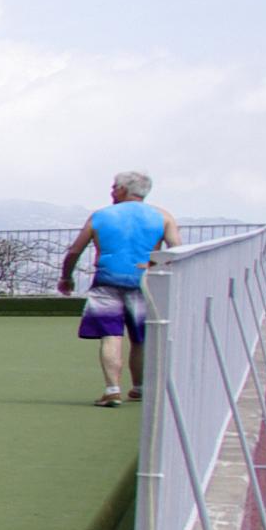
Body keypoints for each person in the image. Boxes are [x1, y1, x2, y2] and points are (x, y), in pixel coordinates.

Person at [58, 172, 172, 407]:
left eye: (114, 187)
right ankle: (139, 387)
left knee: (111, 334)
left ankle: (112, 389)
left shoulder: (101, 216)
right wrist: (154, 265)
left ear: (123, 189)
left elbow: (74, 251)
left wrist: (66, 277)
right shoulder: (162, 216)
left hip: (107, 281)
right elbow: (176, 250)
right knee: (140, 337)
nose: (111, 191)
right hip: (145, 282)